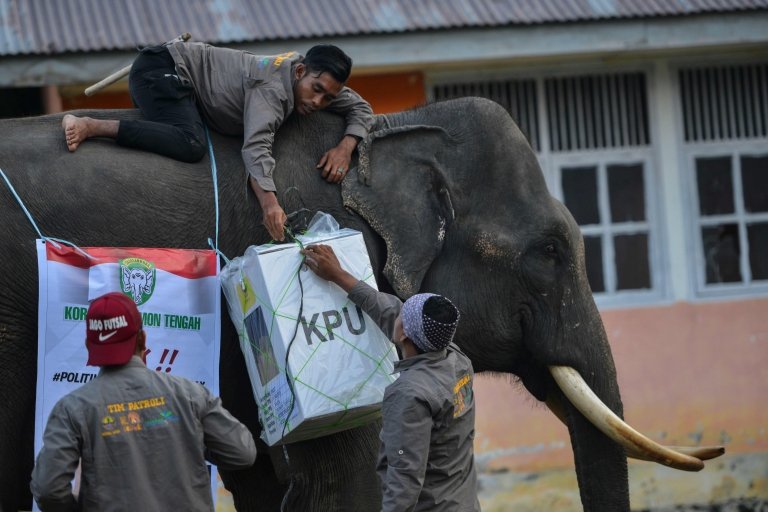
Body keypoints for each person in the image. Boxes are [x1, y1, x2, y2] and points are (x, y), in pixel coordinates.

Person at [62, 42, 375, 241]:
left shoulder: (308, 81)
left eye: (328, 97)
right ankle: (91, 125)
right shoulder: (273, 89)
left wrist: (345, 147)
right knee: (191, 142)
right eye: (316, 89)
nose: (318, 101)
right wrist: (270, 203)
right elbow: (255, 147)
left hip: (187, 85)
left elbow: (361, 107)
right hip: (162, 70)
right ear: (301, 70)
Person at [30, 292, 257, 511]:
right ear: (142, 338)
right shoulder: (190, 394)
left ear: (90, 346)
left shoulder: (72, 409)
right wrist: (191, 440)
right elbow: (242, 452)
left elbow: (48, 489)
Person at [301, 244, 480, 511]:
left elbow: (404, 481)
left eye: (403, 314)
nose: (397, 313)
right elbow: (388, 310)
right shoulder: (455, 358)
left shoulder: (410, 394)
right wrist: (338, 275)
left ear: (404, 333)